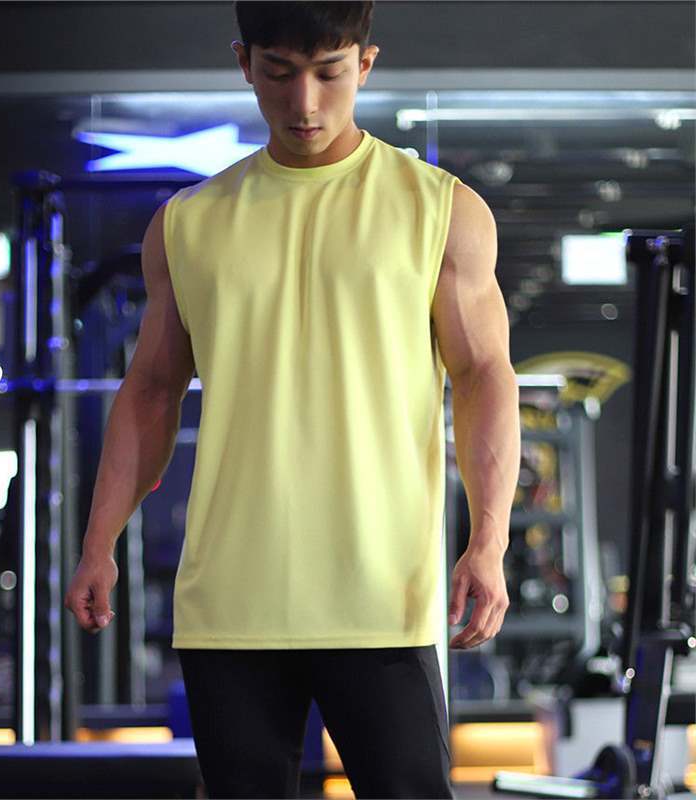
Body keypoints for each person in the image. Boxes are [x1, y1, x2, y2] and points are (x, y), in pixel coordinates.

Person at [65, 2, 520, 797]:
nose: (304, 102)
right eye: (278, 73)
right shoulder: (189, 223)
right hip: (231, 599)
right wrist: (99, 539)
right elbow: (152, 389)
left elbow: (485, 375)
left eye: (328, 73)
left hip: (381, 595)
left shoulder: (441, 209)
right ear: (245, 63)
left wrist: (489, 540)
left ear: (365, 65)